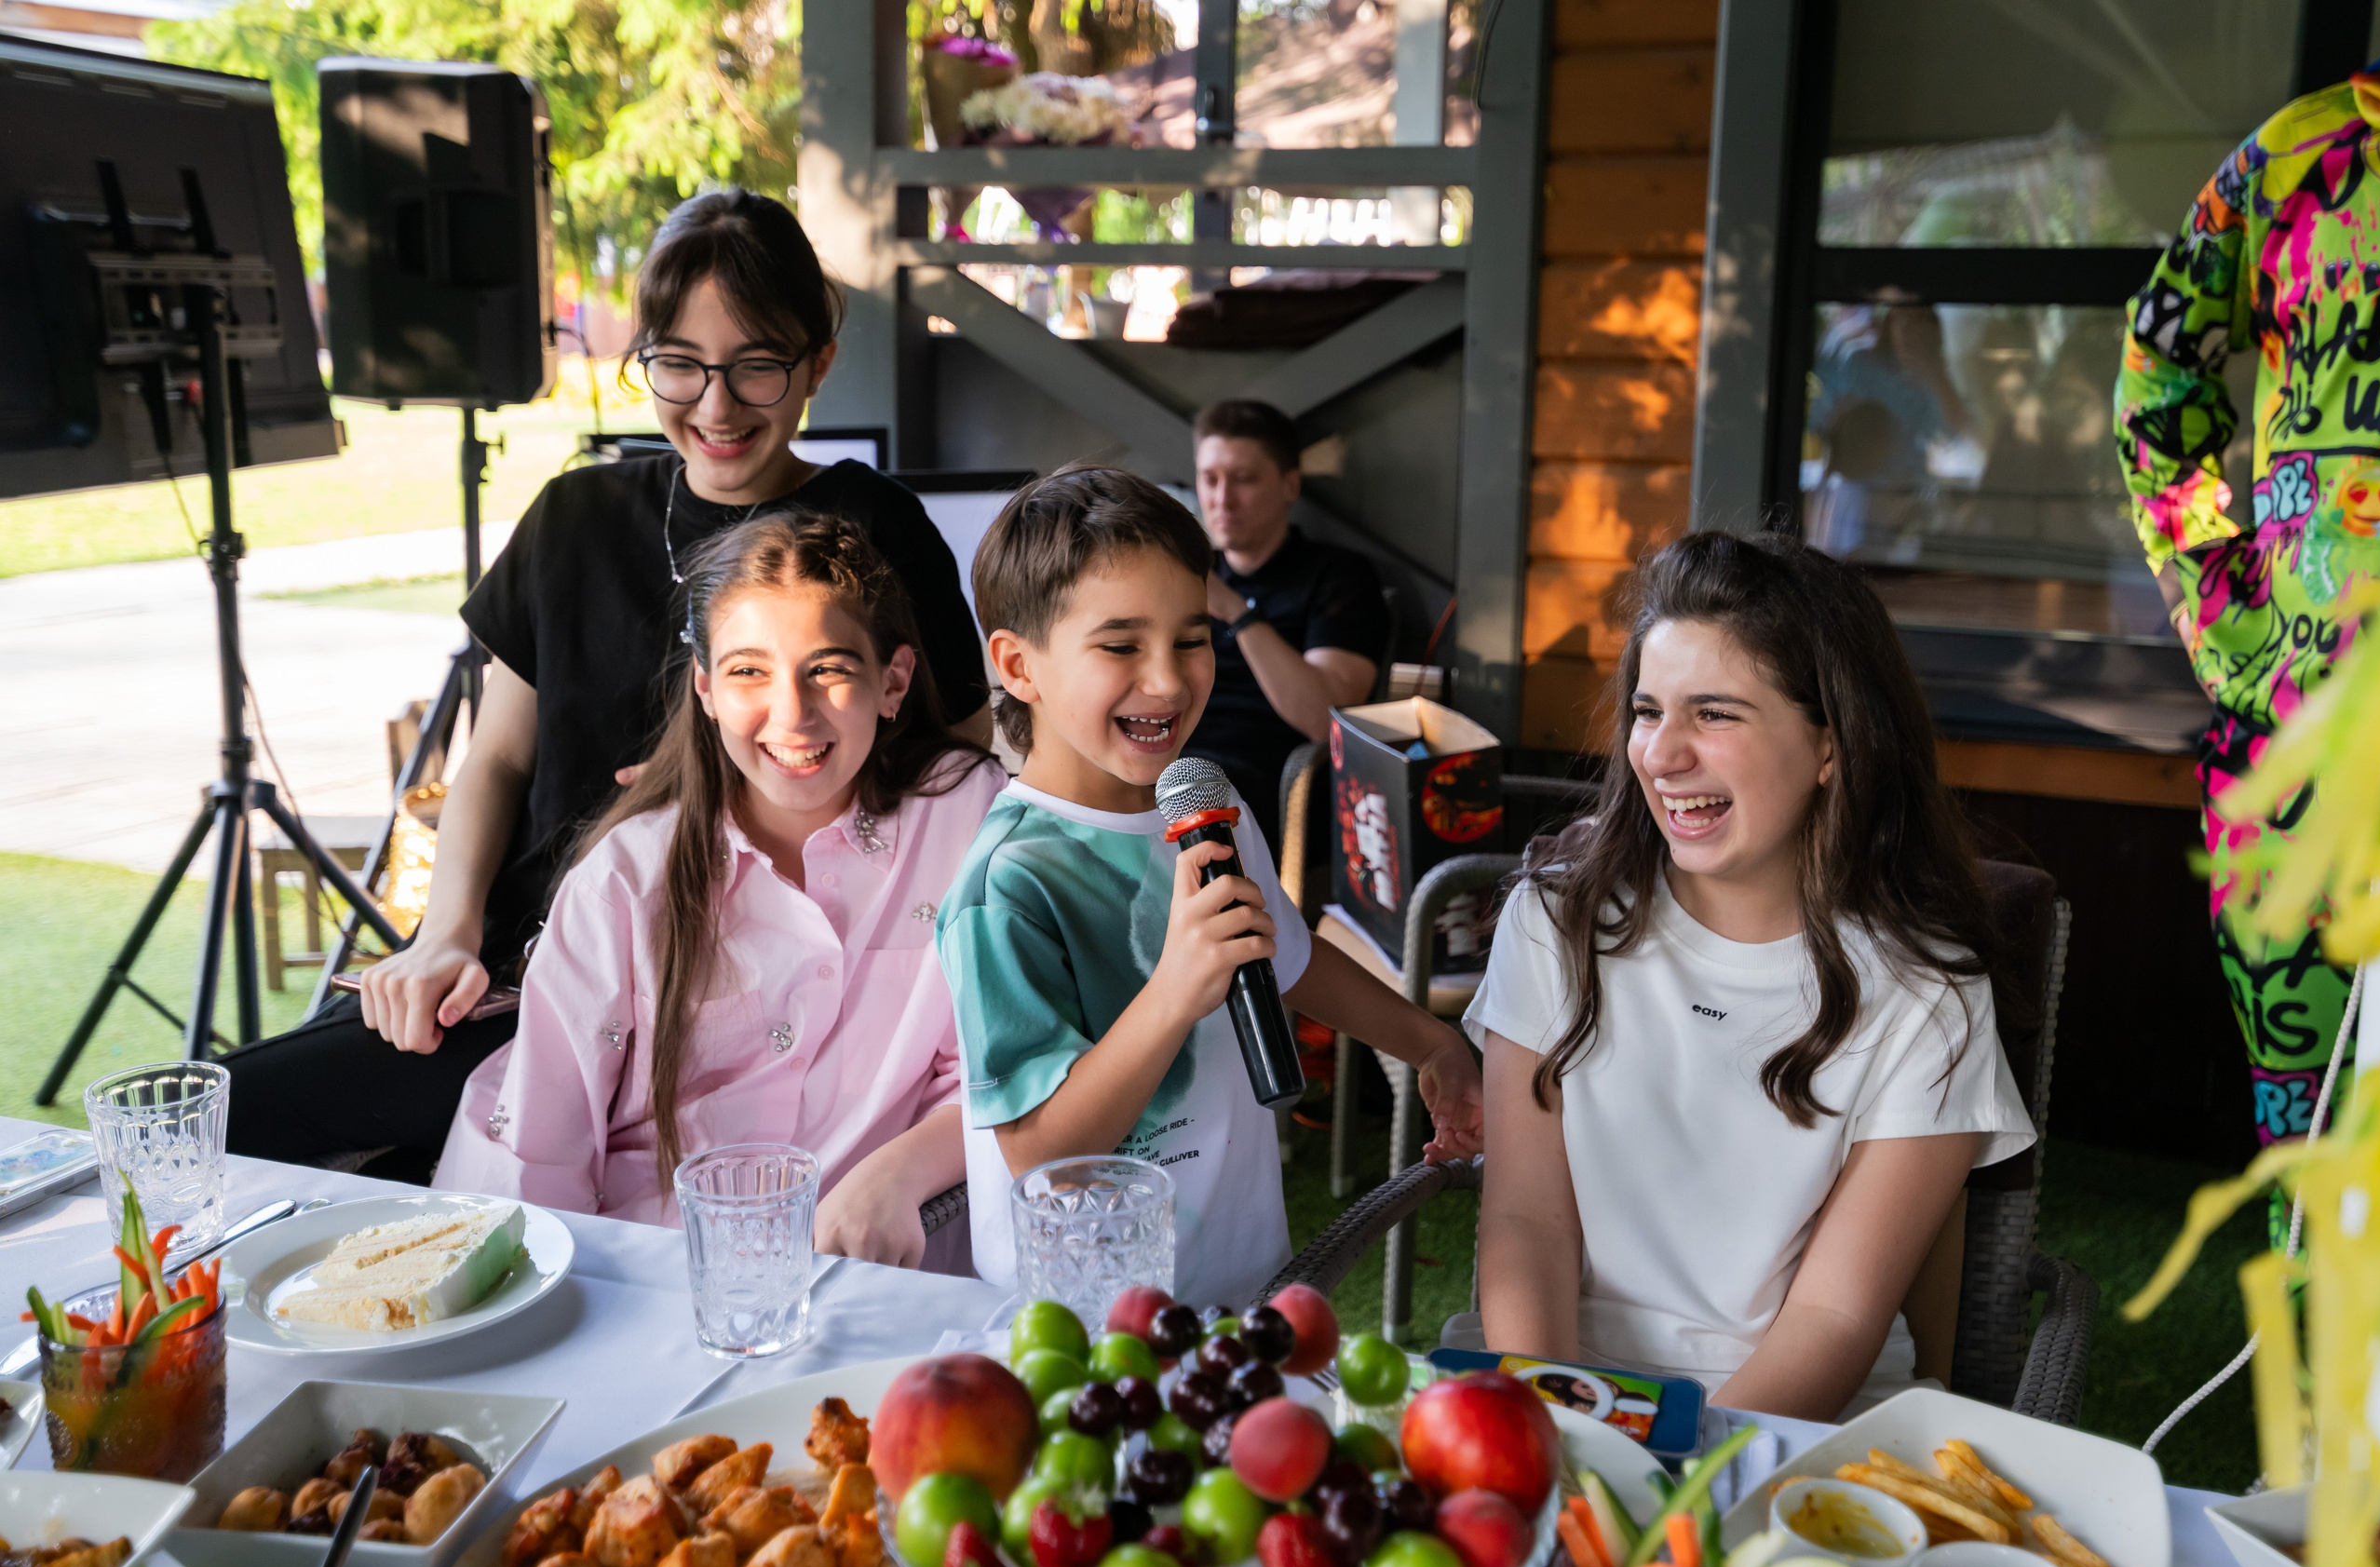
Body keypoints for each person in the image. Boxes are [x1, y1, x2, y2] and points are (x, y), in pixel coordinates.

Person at [222, 188, 990, 1180]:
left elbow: (958, 764)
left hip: (719, 994)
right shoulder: (574, 517)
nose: (716, 406)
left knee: (413, 1194)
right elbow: (495, 759)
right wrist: (445, 933)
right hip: (520, 965)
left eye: (757, 366)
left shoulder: (870, 529)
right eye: (679, 365)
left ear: (818, 363)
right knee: (233, 1117)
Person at [1470, 533, 2035, 1422]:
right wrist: (1563, 1427)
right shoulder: (1554, 923)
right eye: (1648, 710)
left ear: (1831, 745)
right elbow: (1523, 1226)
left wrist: (1681, 1472)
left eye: (1717, 713)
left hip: (1798, 1419)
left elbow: (1835, 1316)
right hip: (1558, 1384)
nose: (1659, 754)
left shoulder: (1928, 992)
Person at [938, 466, 1481, 1306]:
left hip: (1240, 1279)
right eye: (1120, 645)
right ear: (1019, 664)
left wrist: (1434, 1045)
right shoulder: (1006, 883)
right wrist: (1175, 991)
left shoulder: (1204, 800)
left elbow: (1284, 955)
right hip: (1081, 1325)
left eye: (1191, 639)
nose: (1167, 679)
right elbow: (1041, 1154)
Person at [434, 512, 1004, 1263]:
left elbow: (1002, 1062)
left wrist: (897, 1172)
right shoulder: (624, 880)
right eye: (748, 672)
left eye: (828, 667)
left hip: (882, 1277)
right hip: (655, 1274)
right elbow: (542, 1147)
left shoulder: (964, 814)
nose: (793, 713)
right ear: (705, 689)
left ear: (892, 681)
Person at [2113, 74, 2380, 1234]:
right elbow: (2162, 374)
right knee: (2317, 1156)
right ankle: (2326, 1417)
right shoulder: (2301, 156)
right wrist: (2225, 612)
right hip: (2293, 764)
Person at [1183, 400, 1390, 849]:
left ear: (1289, 485)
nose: (1222, 499)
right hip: (1173, 761)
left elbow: (1325, 717)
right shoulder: (1188, 574)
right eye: (1209, 479)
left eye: (1244, 479)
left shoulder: (1337, 575)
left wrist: (1237, 612)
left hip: (1274, 778)